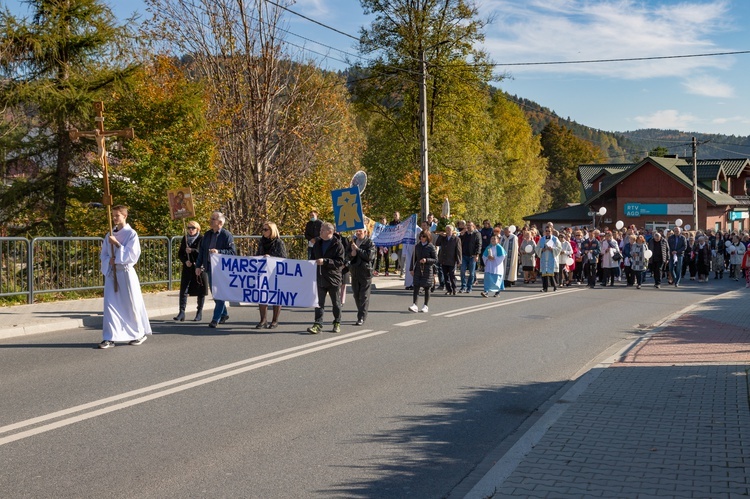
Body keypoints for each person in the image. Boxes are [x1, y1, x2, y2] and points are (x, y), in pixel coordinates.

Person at [99, 205, 152, 348]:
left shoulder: (131, 234)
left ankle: (139, 333)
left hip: (126, 273)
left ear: (124, 216)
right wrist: (108, 261)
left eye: (117, 215)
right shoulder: (109, 234)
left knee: (131, 304)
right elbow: (103, 254)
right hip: (112, 272)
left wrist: (116, 244)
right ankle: (109, 337)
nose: (115, 218)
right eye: (113, 215)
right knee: (110, 305)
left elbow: (132, 255)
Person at [195, 211, 236, 328]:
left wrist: (219, 252)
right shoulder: (207, 235)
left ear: (220, 222)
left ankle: (215, 318)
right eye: (211, 218)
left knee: (219, 294)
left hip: (221, 270)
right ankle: (224, 314)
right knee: (215, 294)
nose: (210, 220)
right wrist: (198, 266)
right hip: (209, 267)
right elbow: (202, 251)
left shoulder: (226, 235)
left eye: (213, 219)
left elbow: (232, 252)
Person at [308, 222, 345, 334]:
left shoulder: (338, 245)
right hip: (320, 277)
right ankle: (318, 324)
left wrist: (325, 261)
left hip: (333, 278)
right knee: (319, 303)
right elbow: (312, 258)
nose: (320, 232)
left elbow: (340, 262)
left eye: (322, 230)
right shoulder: (317, 244)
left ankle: (337, 322)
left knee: (336, 302)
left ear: (329, 232)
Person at [255, 221, 287, 329]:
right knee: (262, 295)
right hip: (263, 273)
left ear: (272, 231)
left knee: (276, 296)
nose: (263, 232)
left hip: (275, 273)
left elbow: (283, 258)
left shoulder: (279, 243)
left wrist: (270, 257)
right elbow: (257, 255)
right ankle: (263, 320)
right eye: (263, 229)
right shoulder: (261, 242)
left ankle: (275, 320)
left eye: (265, 229)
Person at [175, 221, 207, 322]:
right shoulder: (185, 238)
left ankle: (199, 312)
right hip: (188, 268)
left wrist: (192, 250)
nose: (190, 230)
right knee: (183, 290)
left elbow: (203, 252)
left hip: (199, 268)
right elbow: (180, 253)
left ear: (197, 229)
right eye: (189, 228)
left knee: (200, 290)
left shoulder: (202, 239)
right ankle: (181, 312)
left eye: (193, 228)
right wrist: (185, 261)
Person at [347, 226, 376, 325]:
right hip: (355, 272)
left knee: (364, 296)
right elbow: (347, 255)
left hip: (365, 273)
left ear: (365, 232)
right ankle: (361, 312)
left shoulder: (369, 243)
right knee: (356, 295)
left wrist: (358, 250)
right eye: (357, 231)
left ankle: (361, 317)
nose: (358, 233)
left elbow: (369, 257)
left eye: (360, 231)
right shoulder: (352, 242)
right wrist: (352, 253)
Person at [408, 230, 437, 313]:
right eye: (421, 236)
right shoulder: (417, 246)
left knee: (427, 287)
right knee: (416, 286)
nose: (421, 238)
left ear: (427, 237)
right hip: (418, 269)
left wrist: (426, 260)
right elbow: (414, 258)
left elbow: (435, 259)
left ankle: (425, 305)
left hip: (427, 269)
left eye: (423, 236)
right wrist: (411, 269)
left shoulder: (431, 246)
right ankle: (414, 305)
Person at [435, 224, 462, 295]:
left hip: (452, 260)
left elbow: (458, 250)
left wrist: (459, 260)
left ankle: (454, 288)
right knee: (445, 276)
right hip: (444, 259)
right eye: (446, 230)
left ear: (452, 231)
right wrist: (440, 235)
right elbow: (437, 243)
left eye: (449, 230)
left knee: (452, 275)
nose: (448, 231)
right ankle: (449, 289)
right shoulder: (443, 238)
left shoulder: (456, 239)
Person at [535, 225, 562, 292]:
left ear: (551, 231)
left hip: (551, 258)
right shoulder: (542, 239)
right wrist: (541, 250)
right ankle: (545, 288)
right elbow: (537, 248)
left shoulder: (555, 239)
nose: (547, 232)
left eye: (549, 231)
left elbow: (559, 248)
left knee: (551, 274)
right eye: (546, 231)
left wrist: (552, 249)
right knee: (544, 274)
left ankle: (555, 286)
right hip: (544, 258)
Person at [459, 221, 481, 293]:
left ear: (473, 226)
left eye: (470, 226)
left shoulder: (477, 234)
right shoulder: (464, 234)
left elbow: (479, 245)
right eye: (467, 226)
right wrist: (461, 235)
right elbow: (458, 243)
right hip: (464, 256)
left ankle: (469, 287)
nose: (468, 227)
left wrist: (477, 255)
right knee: (462, 271)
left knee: (471, 273)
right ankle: (463, 286)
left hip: (472, 256)